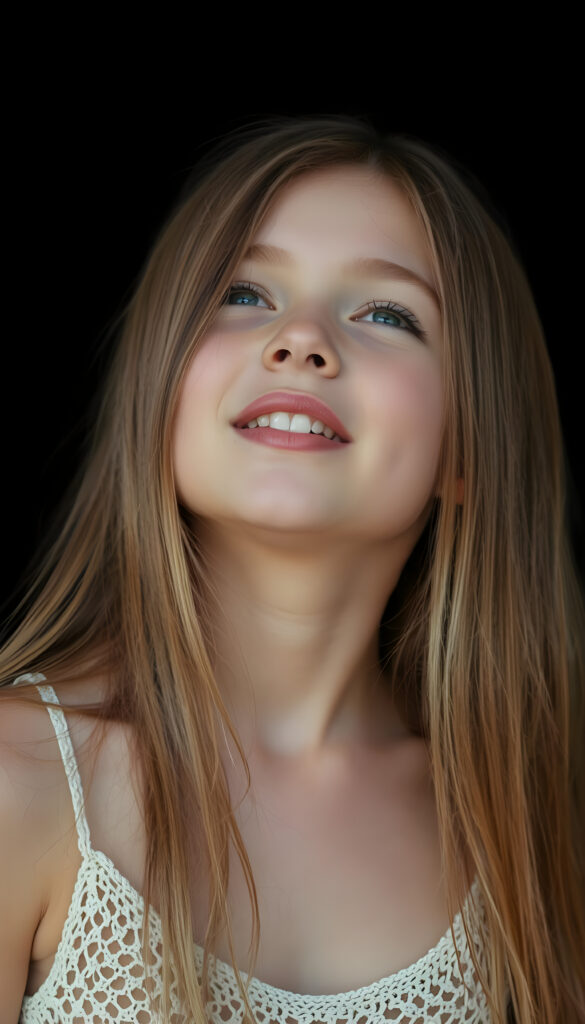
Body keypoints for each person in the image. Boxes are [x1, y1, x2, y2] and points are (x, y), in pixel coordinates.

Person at [1, 115, 583, 1024]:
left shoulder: (519, 832)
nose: (300, 339)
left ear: (469, 448)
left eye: (386, 313)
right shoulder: (15, 775)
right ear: (160, 383)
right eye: (242, 292)